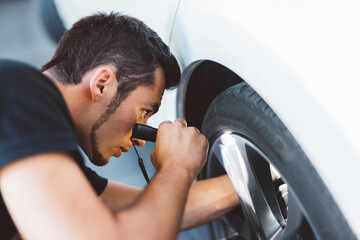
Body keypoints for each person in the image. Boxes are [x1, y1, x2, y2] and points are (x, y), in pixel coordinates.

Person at [0, 12, 239, 239]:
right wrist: (177, 166)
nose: (141, 140)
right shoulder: (19, 90)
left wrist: (266, 170)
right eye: (145, 111)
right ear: (102, 84)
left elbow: (156, 212)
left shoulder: (45, 157)